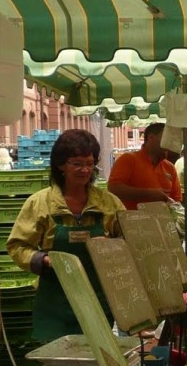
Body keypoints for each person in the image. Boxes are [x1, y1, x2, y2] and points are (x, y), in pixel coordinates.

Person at [7, 129, 126, 342]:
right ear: (61, 164)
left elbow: (130, 242)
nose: (85, 169)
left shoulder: (109, 203)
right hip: (55, 303)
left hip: (98, 300)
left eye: (90, 163)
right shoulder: (40, 203)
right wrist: (43, 260)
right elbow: (18, 246)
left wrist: (111, 246)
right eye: (77, 163)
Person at [107, 122, 181, 210]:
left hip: (163, 222)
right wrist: (148, 194)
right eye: (166, 138)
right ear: (151, 137)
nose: (169, 143)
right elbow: (113, 189)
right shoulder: (128, 159)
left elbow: (177, 199)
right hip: (133, 221)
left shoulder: (169, 167)